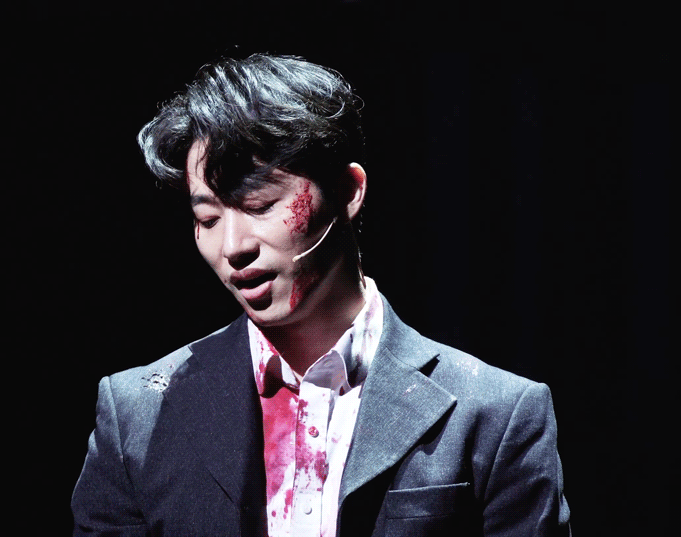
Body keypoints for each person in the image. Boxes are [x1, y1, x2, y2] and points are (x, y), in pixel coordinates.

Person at [71, 53, 571, 536]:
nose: (233, 246)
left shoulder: (494, 414)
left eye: (261, 205)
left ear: (348, 191)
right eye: (208, 218)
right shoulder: (139, 415)